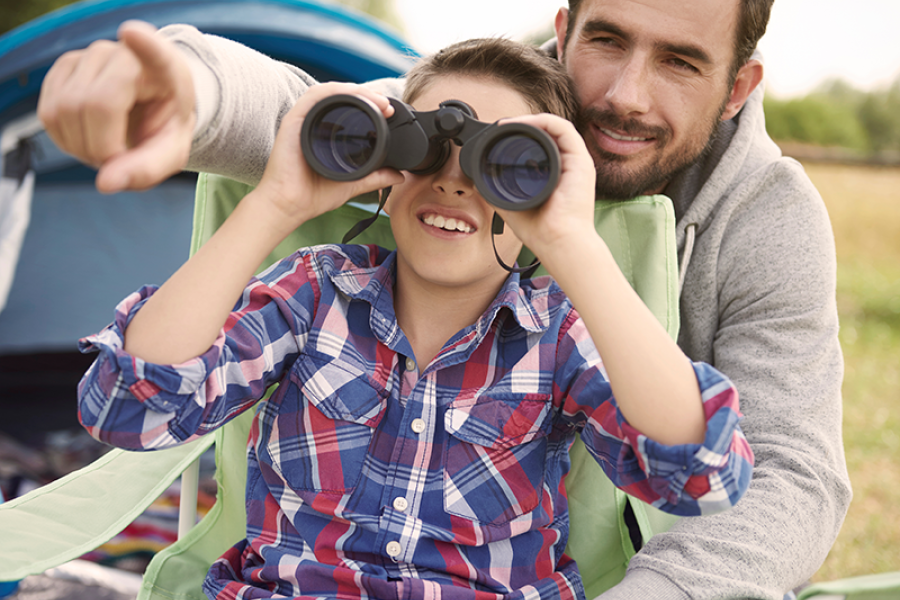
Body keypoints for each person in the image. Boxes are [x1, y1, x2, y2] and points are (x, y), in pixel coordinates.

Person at [39, 0, 851, 598]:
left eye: (679, 60)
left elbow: (717, 471)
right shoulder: (316, 291)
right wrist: (192, 88)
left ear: (739, 83)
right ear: (564, 33)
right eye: (608, 40)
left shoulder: (569, 330)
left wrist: (570, 243)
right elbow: (130, 402)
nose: (628, 97)